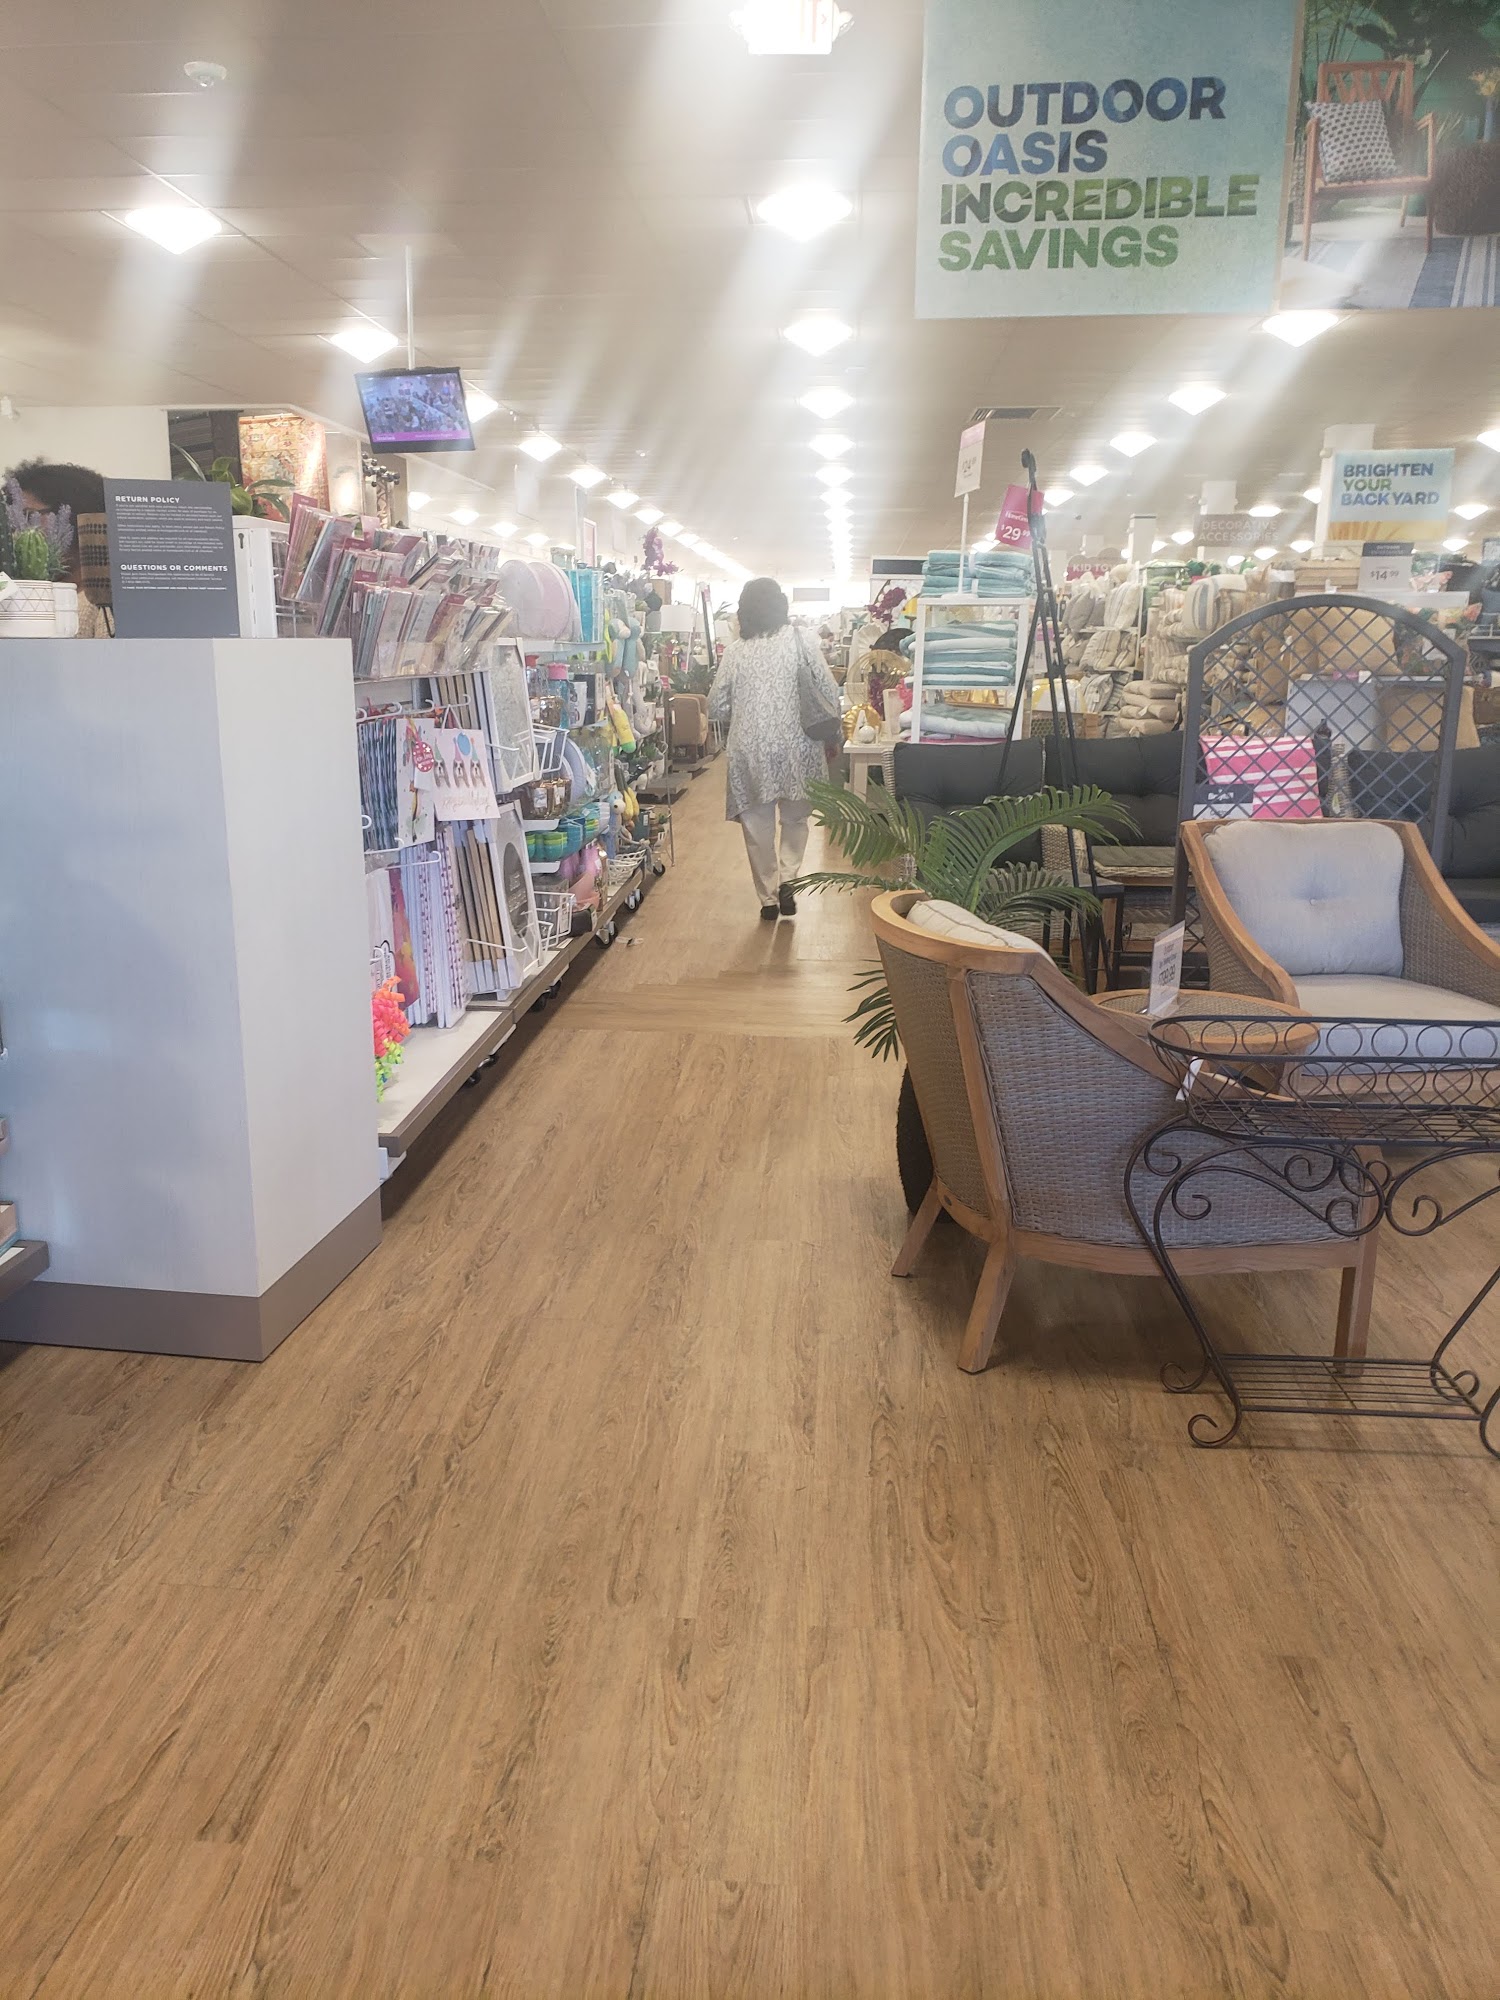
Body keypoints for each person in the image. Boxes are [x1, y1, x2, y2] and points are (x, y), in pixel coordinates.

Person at [708, 576, 840, 920]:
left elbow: (716, 706)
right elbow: (828, 689)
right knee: (796, 818)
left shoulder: (735, 652)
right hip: (798, 744)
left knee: (757, 826)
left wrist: (744, 708)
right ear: (781, 606)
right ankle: (788, 880)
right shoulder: (802, 639)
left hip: (749, 747)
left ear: (744, 612)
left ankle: (767, 899)